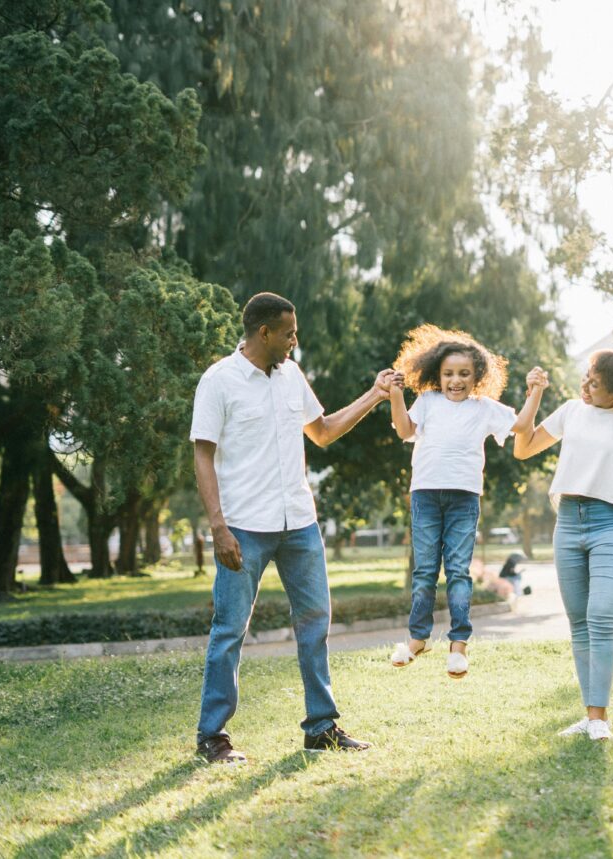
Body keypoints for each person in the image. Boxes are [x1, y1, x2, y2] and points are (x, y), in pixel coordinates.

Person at [190, 291, 395, 763]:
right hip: (244, 526)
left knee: (315, 623)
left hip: (299, 523)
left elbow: (321, 431)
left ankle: (320, 727)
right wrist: (218, 527)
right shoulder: (219, 381)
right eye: (288, 332)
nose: (295, 340)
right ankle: (212, 735)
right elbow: (202, 455)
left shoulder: (291, 375)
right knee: (229, 630)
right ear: (264, 332)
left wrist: (375, 394)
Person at [387, 324, 546, 678]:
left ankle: (458, 646)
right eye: (448, 374)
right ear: (437, 375)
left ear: (478, 377)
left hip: (464, 498)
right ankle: (417, 640)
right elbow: (404, 430)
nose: (455, 380)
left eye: (464, 374)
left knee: (458, 570)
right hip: (426, 495)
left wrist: (534, 392)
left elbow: (521, 425)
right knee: (425, 571)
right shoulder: (427, 401)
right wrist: (396, 395)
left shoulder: (484, 408)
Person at [514, 347, 613, 742]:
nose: (587, 386)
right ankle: (591, 716)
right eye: (588, 378)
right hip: (569, 522)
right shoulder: (572, 411)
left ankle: (599, 719)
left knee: (602, 614)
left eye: (597, 383)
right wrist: (535, 394)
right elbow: (522, 449)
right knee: (580, 625)